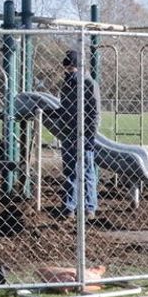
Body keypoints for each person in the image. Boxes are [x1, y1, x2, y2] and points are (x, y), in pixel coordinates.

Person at [56, 49, 100, 220]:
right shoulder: (67, 84)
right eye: (66, 69)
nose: (68, 72)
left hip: (83, 133)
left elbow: (95, 112)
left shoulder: (89, 84)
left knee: (87, 170)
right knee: (70, 171)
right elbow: (64, 108)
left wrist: (90, 135)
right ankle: (69, 207)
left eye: (71, 69)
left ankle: (90, 208)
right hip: (68, 132)